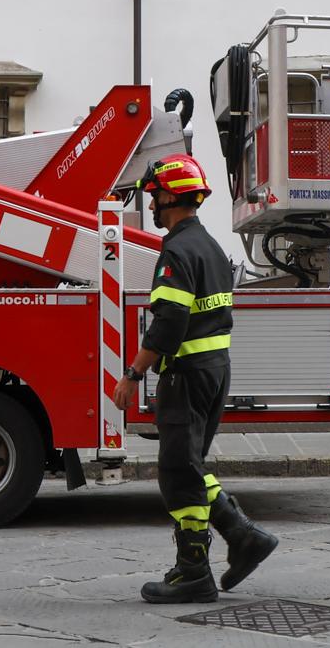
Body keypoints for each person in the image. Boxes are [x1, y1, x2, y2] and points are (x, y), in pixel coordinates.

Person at [113, 155, 277, 604]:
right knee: (187, 467)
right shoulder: (210, 247)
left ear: (171, 195)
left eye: (154, 195)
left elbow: (168, 322)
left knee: (177, 470)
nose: (152, 203)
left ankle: (195, 571)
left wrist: (133, 374)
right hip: (213, 371)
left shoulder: (177, 250)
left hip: (185, 374)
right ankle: (240, 539)